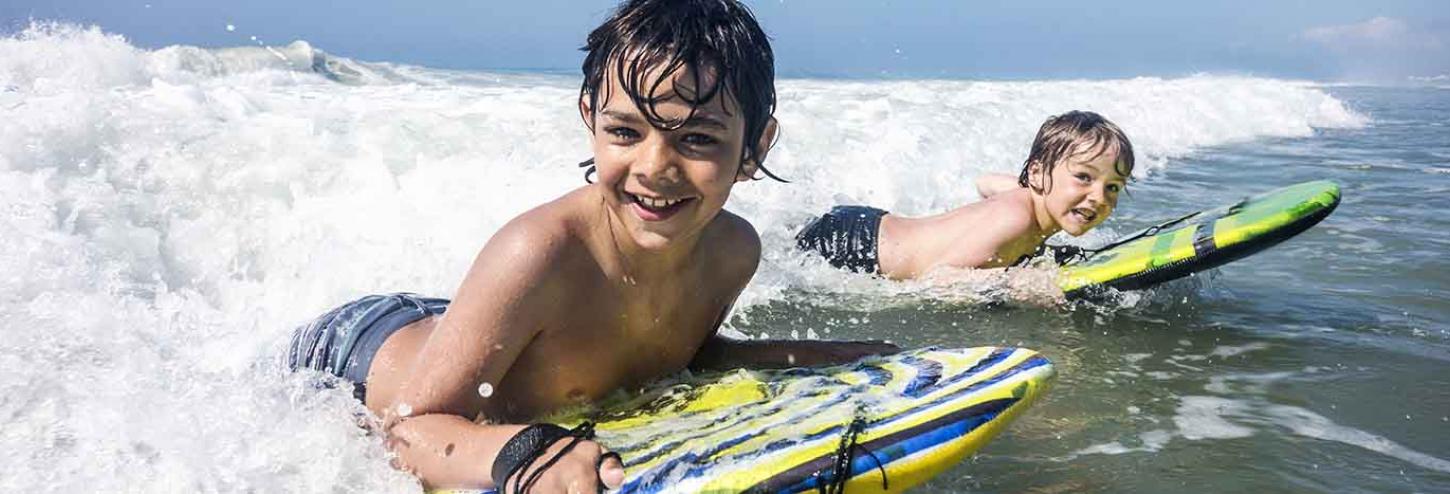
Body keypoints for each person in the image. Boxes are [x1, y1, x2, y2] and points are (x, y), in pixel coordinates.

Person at [285, 1, 897, 492]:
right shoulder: (539, 251)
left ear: (755, 147)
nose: (654, 168)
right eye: (625, 131)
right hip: (353, 350)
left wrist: (808, 359)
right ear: (589, 118)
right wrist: (524, 453)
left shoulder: (734, 251)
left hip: (486, 327)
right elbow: (405, 433)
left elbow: (673, 358)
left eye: (699, 139)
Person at [796, 111, 1135, 285]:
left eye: (1113, 187)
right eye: (1083, 178)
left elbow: (985, 182)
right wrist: (1017, 280)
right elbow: (938, 279)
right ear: (1037, 174)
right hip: (853, 245)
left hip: (869, 222)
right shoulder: (1015, 219)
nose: (1097, 197)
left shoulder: (1029, 202)